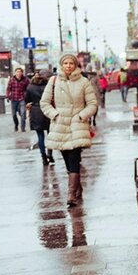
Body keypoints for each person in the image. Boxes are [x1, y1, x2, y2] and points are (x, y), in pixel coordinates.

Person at [41, 53, 98, 207]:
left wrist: (81, 116)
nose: (68, 66)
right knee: (67, 160)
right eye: (65, 63)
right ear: (61, 65)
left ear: (75, 65)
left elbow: (92, 104)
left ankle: (71, 194)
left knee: (74, 158)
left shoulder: (84, 82)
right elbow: (44, 103)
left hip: (77, 125)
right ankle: (77, 187)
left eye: (71, 63)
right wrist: (55, 115)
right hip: (60, 125)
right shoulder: (54, 81)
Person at [24, 72, 54, 166]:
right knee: (50, 135)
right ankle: (50, 154)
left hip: (36, 111)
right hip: (48, 110)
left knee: (40, 136)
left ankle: (43, 157)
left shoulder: (30, 87)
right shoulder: (48, 86)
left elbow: (27, 99)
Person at [5, 67, 29, 132]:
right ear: (15, 73)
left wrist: (26, 95)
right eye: (17, 72)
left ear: (22, 73)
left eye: (20, 72)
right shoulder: (12, 79)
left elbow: (28, 88)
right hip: (14, 99)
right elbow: (8, 89)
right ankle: (16, 125)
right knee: (14, 115)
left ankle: (22, 128)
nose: (19, 73)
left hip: (22, 98)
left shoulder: (26, 80)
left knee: (23, 114)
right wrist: (8, 96)